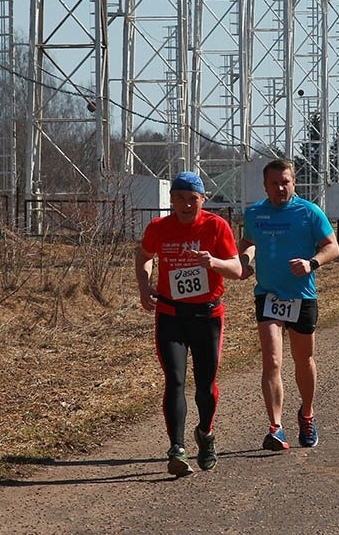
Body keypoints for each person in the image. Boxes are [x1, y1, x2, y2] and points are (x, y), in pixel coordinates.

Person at [135, 171, 242, 477]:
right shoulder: (159, 227)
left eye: (192, 199)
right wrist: (144, 285)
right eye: (179, 199)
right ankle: (177, 449)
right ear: (171, 201)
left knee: (205, 387)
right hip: (171, 315)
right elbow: (144, 255)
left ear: (202, 200)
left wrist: (214, 263)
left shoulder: (216, 226)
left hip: (207, 316)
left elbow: (236, 269)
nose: (185, 205)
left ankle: (206, 434)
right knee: (175, 380)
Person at [238, 159, 339, 451]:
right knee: (271, 361)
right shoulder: (255, 213)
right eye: (274, 183)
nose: (280, 187)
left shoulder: (309, 212)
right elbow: (246, 242)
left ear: (293, 183)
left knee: (303, 360)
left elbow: (332, 246)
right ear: (265, 186)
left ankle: (307, 414)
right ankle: (276, 427)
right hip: (268, 295)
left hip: (302, 296)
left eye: (285, 182)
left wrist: (312, 263)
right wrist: (245, 261)